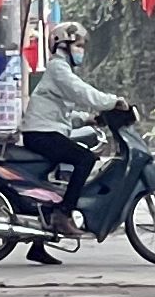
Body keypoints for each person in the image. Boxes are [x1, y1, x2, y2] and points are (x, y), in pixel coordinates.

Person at [22, 25, 129, 263]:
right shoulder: (58, 68)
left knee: (52, 186)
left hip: (46, 130)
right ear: (63, 45)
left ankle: (38, 245)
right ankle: (64, 214)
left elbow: (61, 113)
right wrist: (112, 102)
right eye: (78, 45)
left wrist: (87, 119)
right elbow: (81, 92)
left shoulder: (60, 70)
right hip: (41, 134)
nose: (81, 51)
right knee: (85, 159)